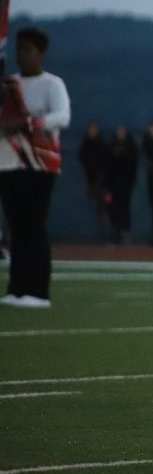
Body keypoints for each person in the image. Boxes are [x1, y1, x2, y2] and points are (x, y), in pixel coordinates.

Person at [0, 27, 70, 308]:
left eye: (27, 49)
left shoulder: (52, 84)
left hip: (40, 164)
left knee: (34, 225)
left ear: (40, 52)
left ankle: (38, 290)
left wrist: (29, 123)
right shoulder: (8, 85)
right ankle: (17, 288)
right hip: (8, 163)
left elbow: (62, 117)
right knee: (16, 227)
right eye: (18, 49)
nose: (21, 54)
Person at [78, 120, 111, 240]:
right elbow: (82, 157)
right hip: (91, 181)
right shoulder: (85, 145)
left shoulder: (102, 145)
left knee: (104, 207)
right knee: (98, 207)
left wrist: (104, 179)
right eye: (90, 129)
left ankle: (107, 234)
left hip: (103, 182)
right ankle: (102, 234)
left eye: (94, 129)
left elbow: (106, 162)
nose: (92, 132)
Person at [106, 124, 139, 244]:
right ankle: (115, 231)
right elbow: (108, 166)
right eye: (118, 131)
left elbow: (133, 165)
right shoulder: (111, 146)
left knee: (124, 206)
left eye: (122, 131)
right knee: (112, 207)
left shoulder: (131, 147)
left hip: (126, 183)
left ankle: (125, 231)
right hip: (113, 183)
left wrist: (130, 179)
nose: (120, 133)